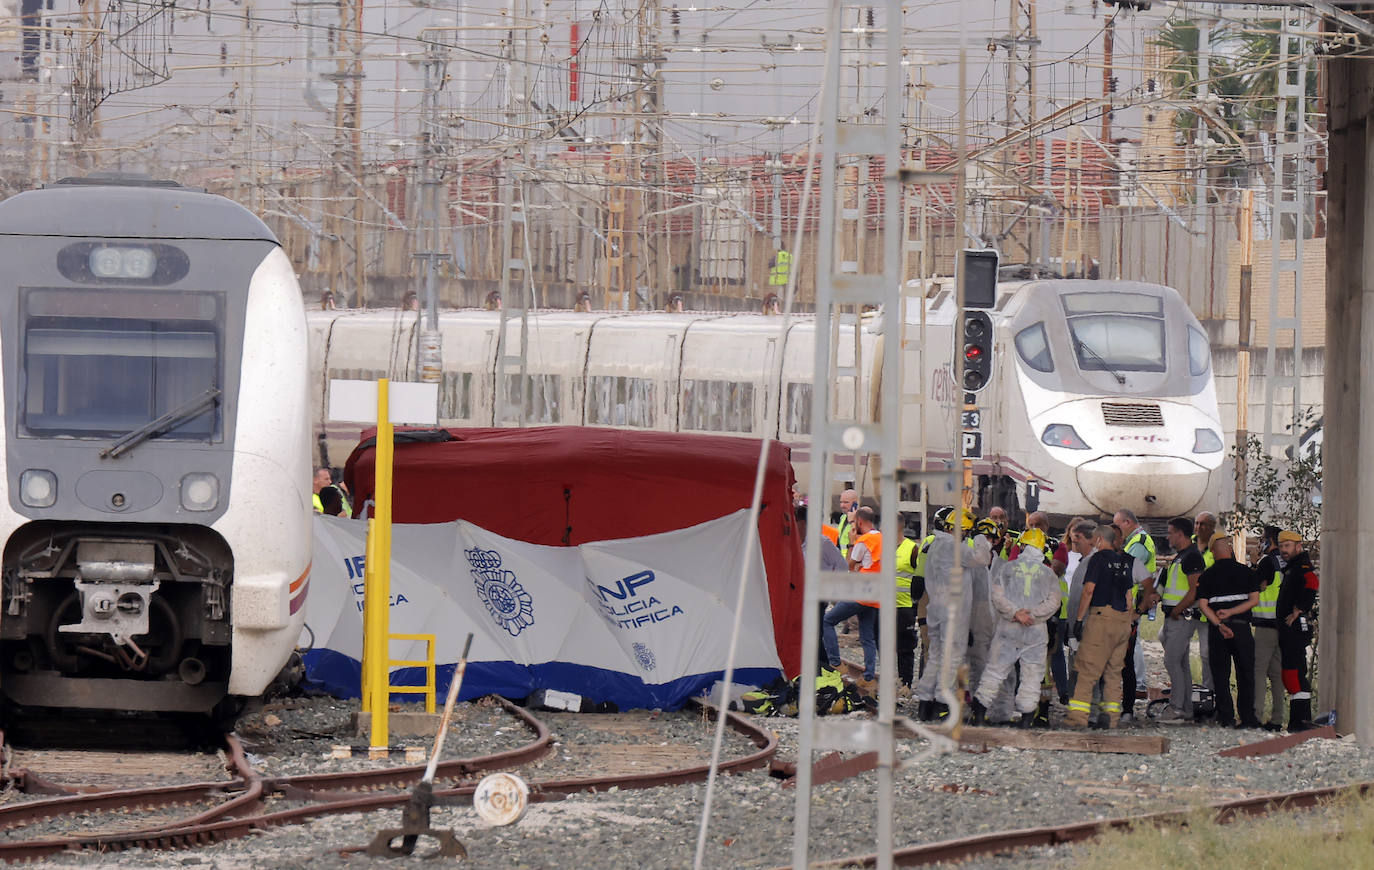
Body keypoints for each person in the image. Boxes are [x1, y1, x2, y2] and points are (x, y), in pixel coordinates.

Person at [969, 529, 1061, 728]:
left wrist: (1015, 613)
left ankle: (979, 714)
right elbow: (1054, 602)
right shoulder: (1048, 573)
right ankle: (1027, 719)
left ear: (1022, 545)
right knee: (1032, 674)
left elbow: (997, 595)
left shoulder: (1007, 568)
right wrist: (1033, 614)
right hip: (1036, 631)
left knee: (995, 671)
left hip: (1008, 628)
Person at [915, 508, 990, 721]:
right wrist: (979, 536)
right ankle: (942, 704)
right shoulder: (955, 548)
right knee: (952, 657)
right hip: (953, 612)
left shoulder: (934, 545)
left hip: (936, 610)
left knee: (936, 657)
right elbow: (983, 558)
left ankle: (925, 704)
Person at [1064, 524, 1141, 729]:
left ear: (1097, 539)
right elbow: (1128, 596)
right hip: (1120, 623)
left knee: (1087, 670)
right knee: (1113, 673)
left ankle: (1080, 718)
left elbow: (1087, 592)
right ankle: (1110, 717)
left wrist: (1078, 622)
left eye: (1081, 538)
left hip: (1098, 621)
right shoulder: (1121, 562)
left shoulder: (1097, 560)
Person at [1195, 533, 1261, 728]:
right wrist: (1232, 611)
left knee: (1220, 674)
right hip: (1241, 628)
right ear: (1230, 549)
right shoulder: (1246, 572)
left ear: (1214, 553)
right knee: (1245, 673)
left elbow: (1203, 605)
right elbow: (1254, 600)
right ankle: (1247, 718)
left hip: (1218, 631)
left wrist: (1219, 624)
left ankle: (1226, 717)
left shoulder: (1207, 575)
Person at [821, 507, 881, 692]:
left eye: (854, 523)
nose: (852, 526)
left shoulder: (864, 540)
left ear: (860, 522)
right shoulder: (881, 537)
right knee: (867, 637)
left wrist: (852, 543)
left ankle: (835, 662)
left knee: (827, 621)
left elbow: (848, 564)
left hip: (860, 593)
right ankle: (869, 676)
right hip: (875, 595)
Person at [1156, 517, 1206, 724]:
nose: (1167, 537)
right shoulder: (1182, 556)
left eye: (1170, 532)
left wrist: (1178, 610)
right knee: (1181, 664)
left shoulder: (1192, 557)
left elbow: (1195, 590)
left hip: (1182, 618)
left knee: (1171, 661)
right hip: (1175, 616)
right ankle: (1185, 708)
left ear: (1180, 534)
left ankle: (1176, 708)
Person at [1276, 529, 1319, 731]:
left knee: (1294, 673)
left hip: (1294, 630)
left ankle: (1301, 721)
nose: (1284, 550)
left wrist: (1299, 609)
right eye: (1282, 546)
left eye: (1287, 546)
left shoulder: (1301, 566)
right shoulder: (1291, 567)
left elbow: (1313, 582)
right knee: (1290, 673)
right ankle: (1297, 721)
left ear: (1298, 546)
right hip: (1286, 630)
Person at [1115, 508, 1156, 717]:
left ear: (1128, 522)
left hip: (1131, 605)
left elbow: (1127, 571)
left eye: (1117, 525)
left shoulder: (1139, 542)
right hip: (1130, 603)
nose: (1116, 530)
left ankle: (1138, 685)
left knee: (1131, 650)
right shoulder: (1136, 540)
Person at [1251, 525, 1287, 731]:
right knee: (1276, 673)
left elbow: (1254, 585)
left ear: (1271, 540)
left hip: (1265, 623)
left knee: (1259, 670)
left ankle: (1255, 715)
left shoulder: (1266, 562)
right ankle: (1277, 719)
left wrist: (1254, 563)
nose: (1260, 542)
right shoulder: (1284, 561)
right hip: (1280, 624)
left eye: (1263, 538)